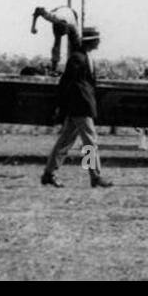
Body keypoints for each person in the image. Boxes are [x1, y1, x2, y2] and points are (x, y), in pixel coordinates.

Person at [41, 25, 113, 188]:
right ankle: (95, 176)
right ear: (91, 42)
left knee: (65, 142)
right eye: (97, 40)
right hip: (81, 107)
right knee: (90, 142)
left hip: (79, 106)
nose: (99, 42)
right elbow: (67, 83)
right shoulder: (78, 58)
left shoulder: (82, 57)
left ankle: (49, 173)